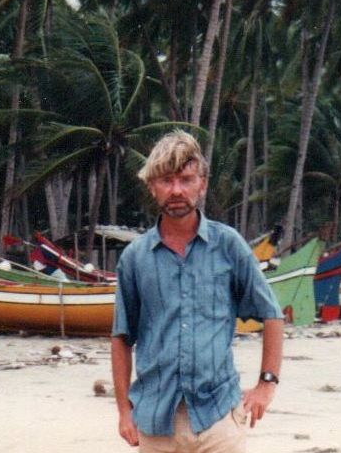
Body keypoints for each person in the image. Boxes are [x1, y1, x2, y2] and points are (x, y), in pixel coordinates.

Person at [111, 130, 284, 452]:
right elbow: (122, 337)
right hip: (155, 420)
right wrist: (124, 411)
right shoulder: (135, 258)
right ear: (152, 187)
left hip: (218, 416)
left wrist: (266, 385)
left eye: (186, 179)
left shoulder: (228, 245)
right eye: (166, 180)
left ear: (202, 184)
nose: (177, 190)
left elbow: (272, 314)